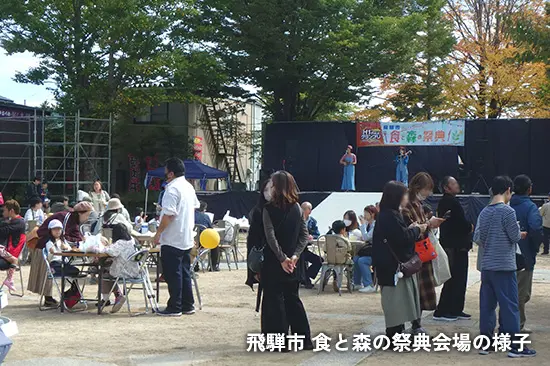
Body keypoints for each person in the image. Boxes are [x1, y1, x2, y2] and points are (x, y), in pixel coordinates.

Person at [474, 176, 536, 357]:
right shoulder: (507, 212)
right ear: (508, 190)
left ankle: (485, 344)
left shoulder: (484, 211)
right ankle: (515, 346)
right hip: (505, 266)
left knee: (487, 306)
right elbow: (515, 236)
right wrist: (519, 232)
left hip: (487, 266)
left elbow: (478, 237)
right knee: (510, 307)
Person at [261, 171, 312, 350]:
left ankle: (277, 343)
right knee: (293, 300)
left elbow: (270, 236)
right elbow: (304, 236)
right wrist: (295, 256)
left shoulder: (268, 209)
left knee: (274, 302)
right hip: (293, 263)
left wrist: (282, 258)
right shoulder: (297, 208)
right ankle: (304, 340)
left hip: (274, 263)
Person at [372, 181, 427, 339]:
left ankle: (397, 334)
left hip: (391, 266)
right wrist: (417, 229)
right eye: (404, 194)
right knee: (395, 303)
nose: (406, 197)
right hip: (391, 267)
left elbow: (397, 235)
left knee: (398, 302)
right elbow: (401, 238)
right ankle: (394, 336)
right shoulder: (389, 215)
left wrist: (411, 229)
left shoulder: (389, 214)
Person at [153, 157, 200, 316]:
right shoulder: (188, 187)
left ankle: (175, 306)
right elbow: (194, 207)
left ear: (171, 173)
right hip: (186, 236)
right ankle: (188, 304)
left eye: (166, 171)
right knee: (184, 272)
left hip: (173, 238)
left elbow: (169, 215)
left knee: (173, 274)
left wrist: (158, 233)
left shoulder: (172, 189)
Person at [27, 201, 93, 306]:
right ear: (80, 213)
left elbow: (75, 235)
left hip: (49, 246)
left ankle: (51, 298)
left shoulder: (73, 220)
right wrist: (80, 241)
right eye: (87, 215)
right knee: (47, 272)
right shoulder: (67, 217)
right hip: (45, 244)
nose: (87, 218)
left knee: (49, 271)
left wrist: (83, 239)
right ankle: (48, 298)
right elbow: (64, 236)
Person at [402, 172, 445, 333]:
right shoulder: (407, 206)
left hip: (422, 254)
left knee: (420, 292)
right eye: (427, 189)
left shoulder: (418, 205)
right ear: (418, 187)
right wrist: (427, 224)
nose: (429, 193)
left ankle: (417, 324)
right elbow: (410, 229)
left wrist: (428, 224)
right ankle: (414, 324)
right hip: (413, 255)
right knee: (414, 291)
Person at [433, 176, 473, 321]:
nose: (457, 185)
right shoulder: (449, 202)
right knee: (453, 277)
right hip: (453, 247)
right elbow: (459, 224)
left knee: (460, 278)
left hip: (458, 245)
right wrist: (469, 227)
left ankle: (456, 308)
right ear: (446, 187)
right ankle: (443, 310)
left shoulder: (450, 201)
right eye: (454, 183)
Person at [510, 174, 543, 333]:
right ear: (529, 189)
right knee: (522, 293)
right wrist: (535, 247)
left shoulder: (505, 204)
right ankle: (517, 325)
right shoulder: (530, 207)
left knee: (509, 291)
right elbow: (535, 229)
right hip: (524, 254)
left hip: (506, 255)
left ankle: (508, 322)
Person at [101, 224, 140, 313]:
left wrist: (105, 247)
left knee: (104, 273)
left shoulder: (120, 243)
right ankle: (117, 295)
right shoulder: (133, 241)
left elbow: (110, 252)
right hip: (136, 271)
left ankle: (106, 299)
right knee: (108, 271)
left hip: (124, 272)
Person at [245, 180, 269, 289]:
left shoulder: (289, 209)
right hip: (264, 257)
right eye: (266, 190)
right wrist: (253, 270)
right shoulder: (258, 211)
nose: (270, 193)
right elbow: (253, 240)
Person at [0, 200, 25, 291]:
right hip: (7, 252)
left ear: (11, 211)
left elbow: (3, 231)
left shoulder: (19, 222)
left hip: (11, 253)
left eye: (5, 210)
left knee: (14, 260)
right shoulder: (13, 221)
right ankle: (9, 280)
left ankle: (9, 280)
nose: (3, 212)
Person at [354, 205, 377, 293]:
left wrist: (362, 225)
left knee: (362, 261)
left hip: (376, 252)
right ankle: (357, 283)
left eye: (366, 213)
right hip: (368, 250)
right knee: (356, 259)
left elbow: (366, 237)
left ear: (373, 214)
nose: (364, 215)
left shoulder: (375, 225)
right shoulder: (367, 224)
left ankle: (369, 284)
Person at [300, 202, 322, 288]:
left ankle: (306, 276)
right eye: (303, 209)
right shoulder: (296, 220)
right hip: (297, 249)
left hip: (305, 248)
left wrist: (311, 236)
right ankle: (305, 280)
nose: (304, 211)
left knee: (320, 260)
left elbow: (317, 234)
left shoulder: (312, 221)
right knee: (301, 259)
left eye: (306, 209)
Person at [195, 201, 219, 271]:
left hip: (192, 241)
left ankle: (195, 265)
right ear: (204, 209)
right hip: (203, 242)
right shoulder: (206, 216)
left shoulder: (190, 216)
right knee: (215, 244)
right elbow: (210, 229)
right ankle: (214, 266)